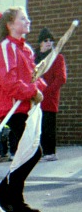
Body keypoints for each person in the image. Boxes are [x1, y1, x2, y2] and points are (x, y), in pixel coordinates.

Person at [0, 7, 46, 212]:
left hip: (27, 106)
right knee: (32, 151)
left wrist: (38, 87)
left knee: (27, 152)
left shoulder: (27, 50)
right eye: (23, 18)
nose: (28, 21)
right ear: (10, 24)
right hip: (13, 107)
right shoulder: (5, 48)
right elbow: (8, 82)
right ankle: (8, 193)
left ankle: (11, 195)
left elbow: (33, 76)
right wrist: (32, 90)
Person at [35, 27, 67, 161]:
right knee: (37, 126)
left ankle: (50, 153)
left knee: (48, 125)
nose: (49, 43)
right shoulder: (34, 58)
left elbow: (61, 78)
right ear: (40, 43)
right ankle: (39, 152)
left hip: (49, 98)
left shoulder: (57, 57)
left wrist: (47, 91)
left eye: (51, 40)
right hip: (35, 98)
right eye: (45, 40)